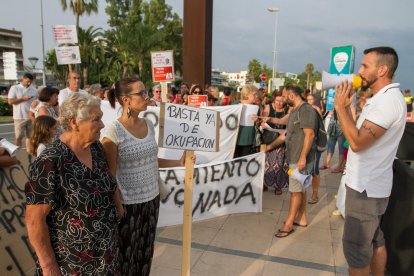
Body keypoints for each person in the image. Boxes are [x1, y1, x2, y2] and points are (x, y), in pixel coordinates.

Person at [101, 78, 189, 276]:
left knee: (145, 253)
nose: (146, 96)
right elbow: (109, 176)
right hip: (128, 206)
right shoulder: (112, 132)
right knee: (126, 259)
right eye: (140, 93)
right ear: (126, 100)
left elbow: (150, 159)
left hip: (151, 201)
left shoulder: (149, 124)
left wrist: (177, 162)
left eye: (145, 91)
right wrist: (119, 209)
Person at [25, 92, 120, 275]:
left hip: (107, 256)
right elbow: (34, 220)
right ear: (74, 122)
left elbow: (108, 182)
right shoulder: (50, 161)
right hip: (72, 263)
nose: (102, 124)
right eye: (96, 119)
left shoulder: (96, 148)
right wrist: (48, 266)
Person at [334, 46, 405, 276]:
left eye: (365, 66)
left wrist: (339, 107)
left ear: (382, 69)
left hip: (365, 190)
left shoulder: (386, 102)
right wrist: (347, 108)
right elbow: (358, 133)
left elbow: (356, 142)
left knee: (356, 251)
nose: (360, 71)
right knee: (376, 241)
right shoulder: (384, 98)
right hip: (372, 187)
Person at [266, 84, 316, 236]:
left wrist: (302, 158)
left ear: (291, 95)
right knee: (299, 189)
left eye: (284, 95)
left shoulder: (305, 109)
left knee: (295, 192)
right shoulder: (295, 110)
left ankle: (288, 224)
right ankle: (302, 218)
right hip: (295, 156)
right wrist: (269, 147)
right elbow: (286, 134)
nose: (282, 98)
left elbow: (310, 134)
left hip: (299, 158)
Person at [261, 94, 289, 195]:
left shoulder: (288, 110)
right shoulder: (268, 107)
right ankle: (264, 183)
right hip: (268, 138)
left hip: (281, 141)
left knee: (279, 163)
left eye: (281, 101)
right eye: (277, 100)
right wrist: (262, 123)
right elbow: (262, 119)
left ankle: (278, 186)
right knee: (265, 163)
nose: (279, 103)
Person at [7, 73, 38, 147]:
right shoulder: (15, 88)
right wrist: (22, 99)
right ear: (23, 79)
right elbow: (10, 102)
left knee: (31, 137)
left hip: (30, 116)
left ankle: (29, 153)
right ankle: (17, 152)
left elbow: (37, 102)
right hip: (19, 117)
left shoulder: (34, 89)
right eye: (27, 81)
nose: (29, 83)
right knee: (18, 137)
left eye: (30, 82)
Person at [234, 84, 259, 158]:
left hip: (249, 140)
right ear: (247, 95)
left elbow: (258, 125)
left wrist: (257, 120)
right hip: (236, 138)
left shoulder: (256, 107)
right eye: (254, 95)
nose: (256, 96)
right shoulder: (236, 104)